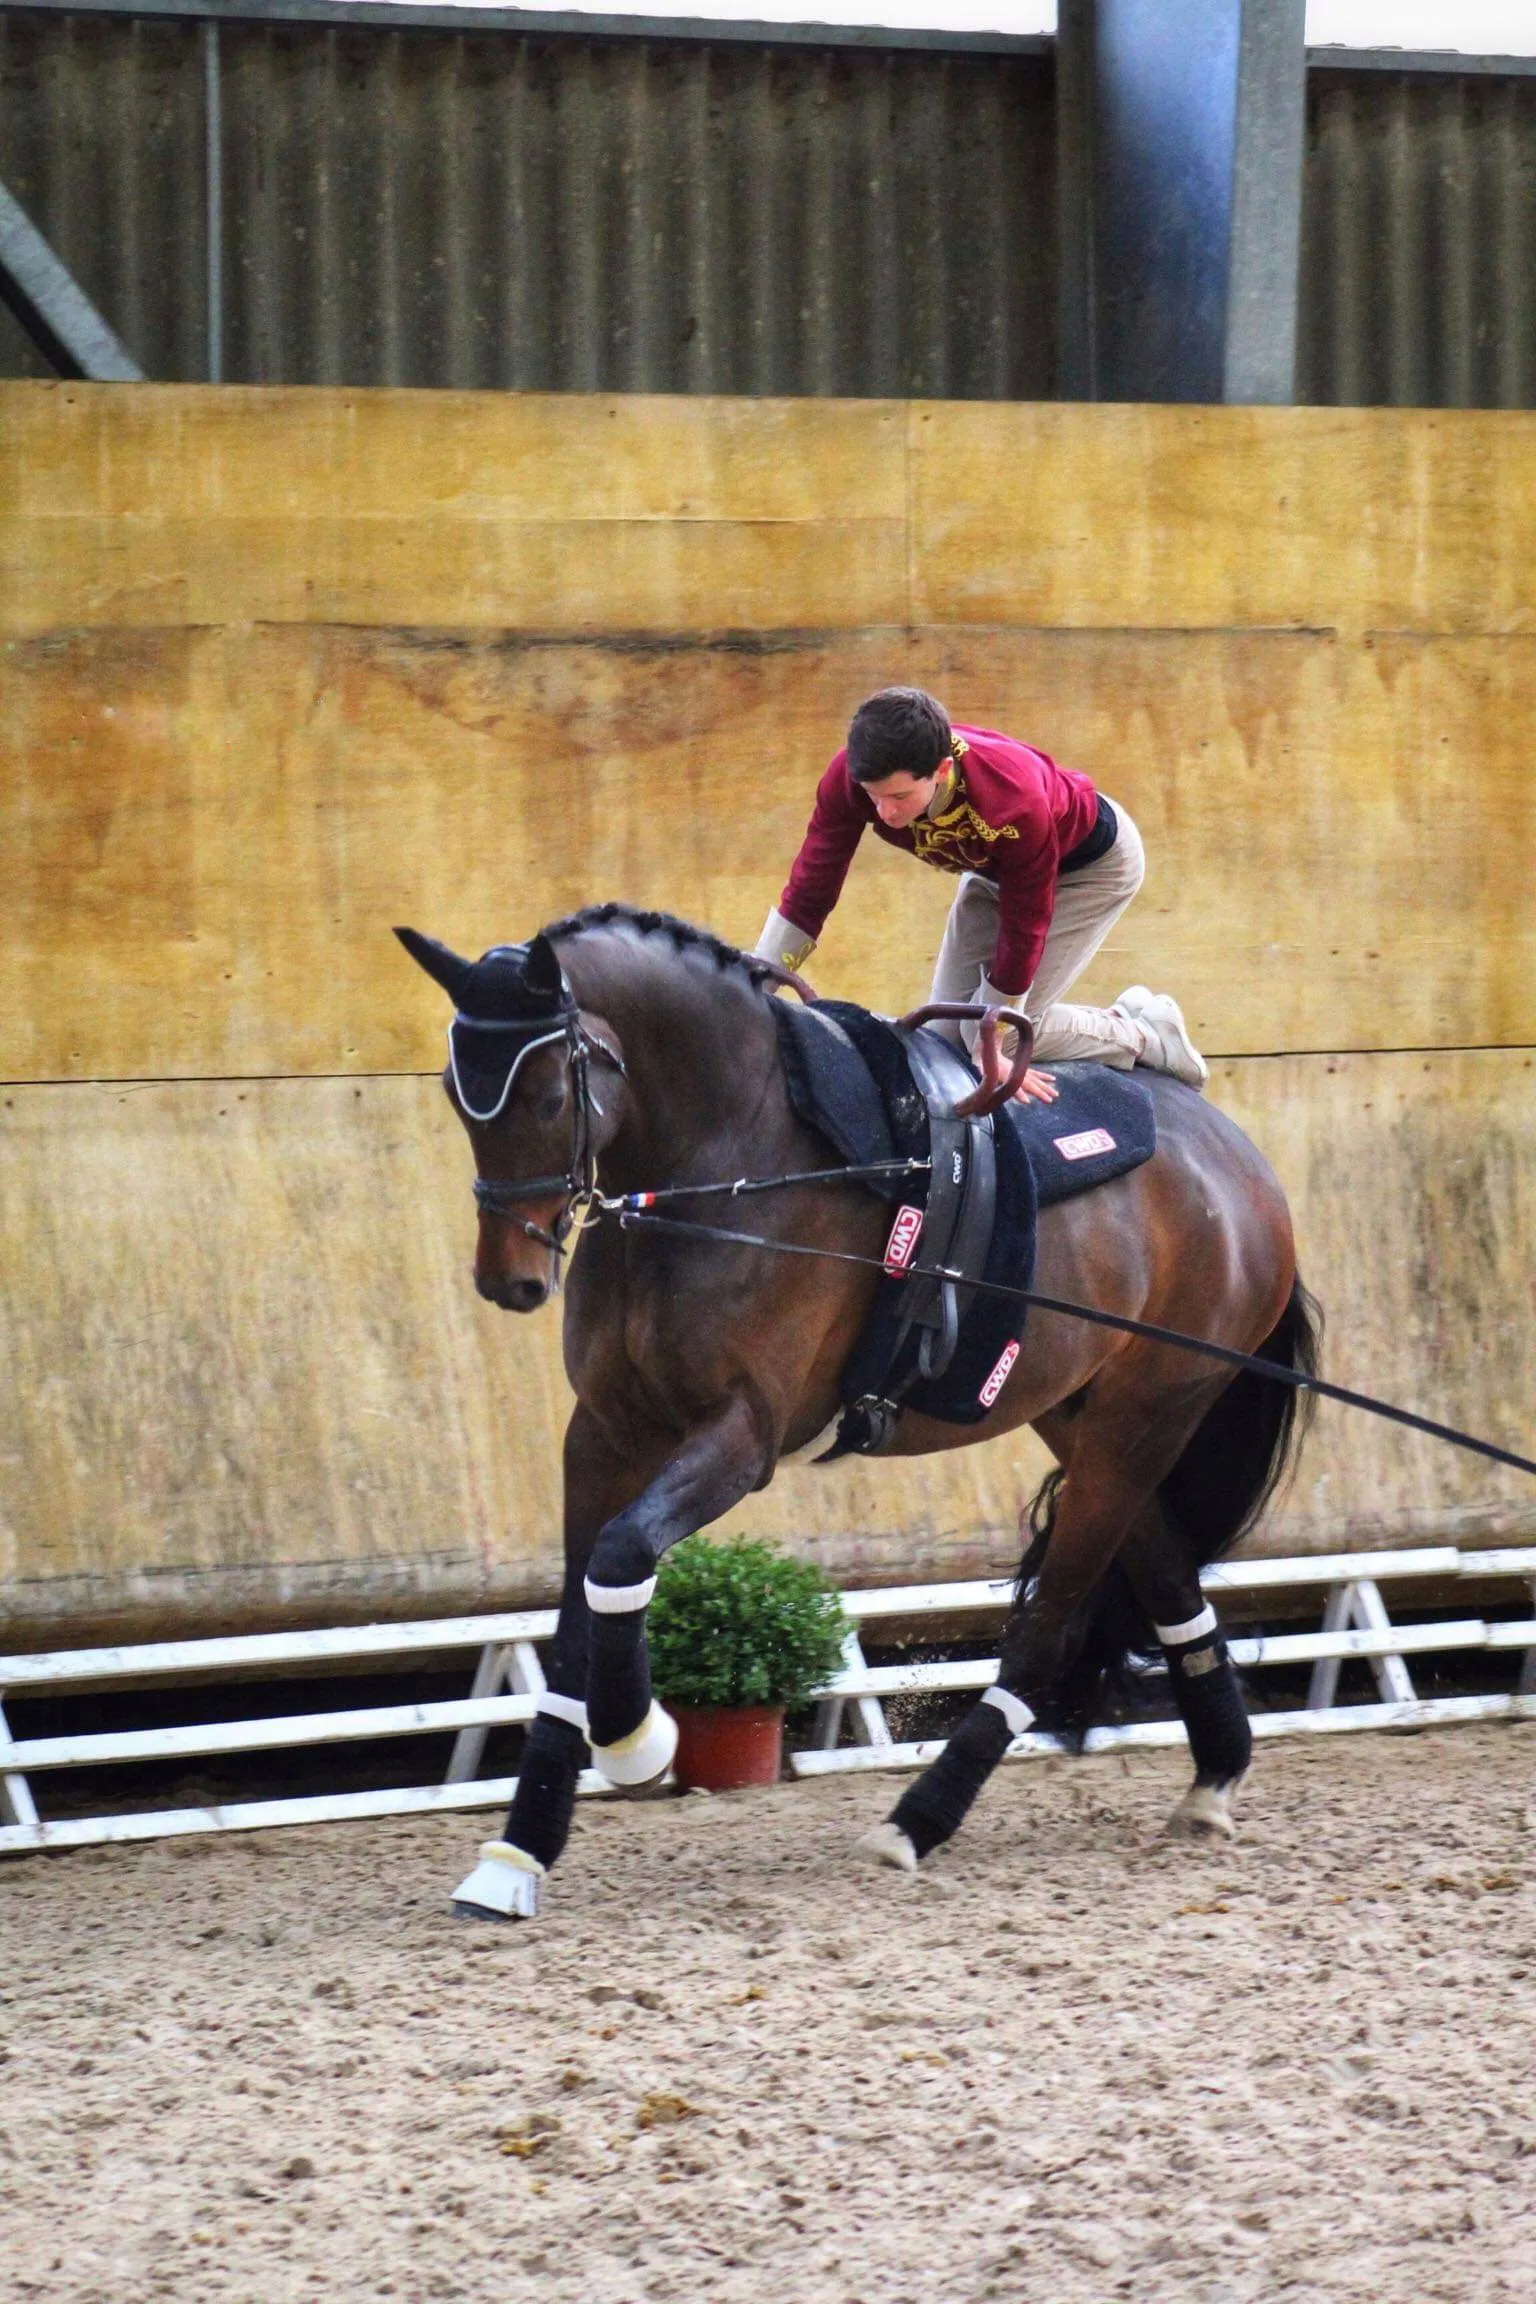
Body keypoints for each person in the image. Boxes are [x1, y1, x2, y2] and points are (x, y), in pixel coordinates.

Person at [752, 686, 1206, 1098]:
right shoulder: (851, 781)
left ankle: (1144, 1035)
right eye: (873, 796)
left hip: (1089, 870)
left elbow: (1025, 925)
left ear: (941, 769)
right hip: (993, 874)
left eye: (900, 797)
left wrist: (994, 1041)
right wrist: (756, 989)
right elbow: (812, 888)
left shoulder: (1013, 799)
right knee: (944, 1038)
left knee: (994, 1038)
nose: (884, 812)